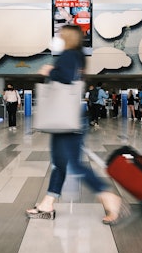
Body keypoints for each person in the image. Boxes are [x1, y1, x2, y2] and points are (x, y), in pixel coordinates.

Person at [26, 25, 126, 225]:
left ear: (68, 38)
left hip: (68, 117)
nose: (57, 39)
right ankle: (48, 203)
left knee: (74, 164)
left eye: (60, 36)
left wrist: (50, 71)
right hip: (64, 118)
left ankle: (108, 196)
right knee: (60, 163)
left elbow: (67, 78)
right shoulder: (74, 56)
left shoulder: (69, 55)